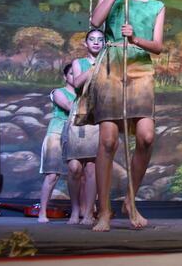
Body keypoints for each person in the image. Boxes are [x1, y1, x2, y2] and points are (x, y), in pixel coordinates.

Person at [89, 0, 165, 231]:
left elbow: (158, 46)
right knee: (108, 141)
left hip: (140, 68)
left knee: (146, 136)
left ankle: (130, 200)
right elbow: (96, 21)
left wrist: (135, 38)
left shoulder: (157, 5)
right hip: (111, 65)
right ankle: (104, 210)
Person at [64, 29, 105, 225]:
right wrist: (93, 68)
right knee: (74, 167)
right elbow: (78, 83)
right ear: (86, 43)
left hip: (99, 115)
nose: (96, 43)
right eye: (92, 39)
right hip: (79, 114)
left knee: (91, 167)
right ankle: (75, 210)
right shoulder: (78, 63)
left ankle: (88, 213)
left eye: (100, 40)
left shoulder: (109, 63)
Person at [38, 64, 76, 223]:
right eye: (72, 73)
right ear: (65, 76)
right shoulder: (58, 92)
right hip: (57, 133)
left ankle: (78, 212)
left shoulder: (84, 95)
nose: (75, 76)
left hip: (76, 134)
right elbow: (69, 107)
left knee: (77, 173)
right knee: (52, 174)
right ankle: (42, 212)